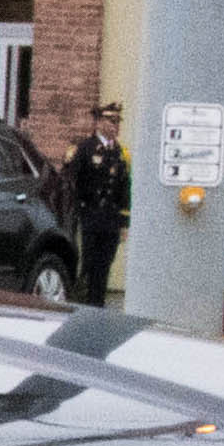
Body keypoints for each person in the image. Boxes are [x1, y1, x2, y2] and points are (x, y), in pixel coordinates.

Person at [65, 100, 131, 305]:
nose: (115, 126)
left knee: (104, 268)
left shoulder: (121, 153)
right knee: (88, 266)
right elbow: (69, 180)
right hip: (89, 217)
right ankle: (83, 306)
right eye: (111, 121)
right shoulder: (84, 148)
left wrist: (124, 223)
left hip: (110, 221)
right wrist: (74, 211)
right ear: (100, 122)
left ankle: (98, 307)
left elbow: (124, 189)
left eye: (117, 121)